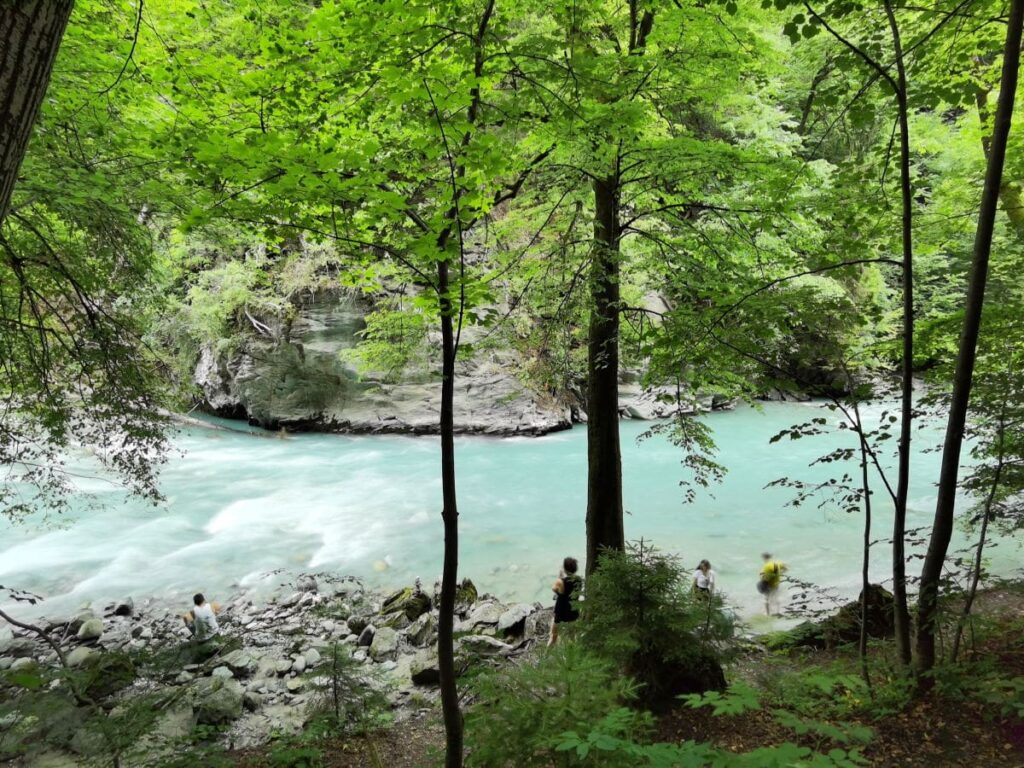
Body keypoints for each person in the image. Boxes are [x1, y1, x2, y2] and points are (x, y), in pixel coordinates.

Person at [548, 556, 581, 647]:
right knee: (572, 636)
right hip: (573, 610)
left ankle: (544, 657)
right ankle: (574, 653)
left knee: (553, 636)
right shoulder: (579, 580)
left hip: (561, 611)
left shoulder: (560, 581)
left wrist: (559, 577)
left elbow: (554, 589)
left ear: (565, 568)